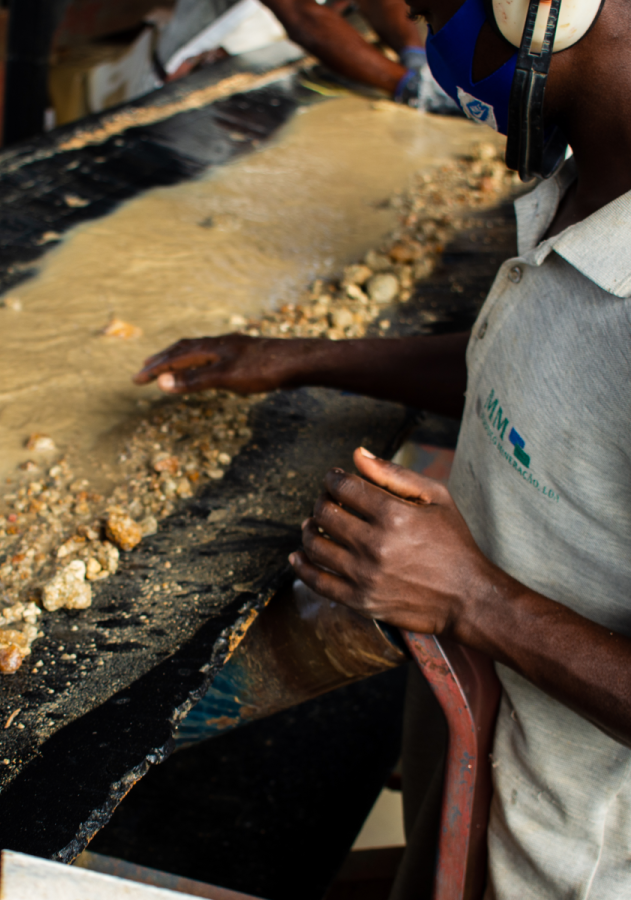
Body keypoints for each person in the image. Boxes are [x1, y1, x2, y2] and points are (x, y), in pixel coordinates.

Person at [134, 0, 631, 894]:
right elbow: (537, 377)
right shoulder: (586, 184)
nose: (431, 45)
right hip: (486, 765)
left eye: (435, 7)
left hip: (569, 863)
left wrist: (470, 595)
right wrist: (295, 360)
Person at [157, 0, 452, 109]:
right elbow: (301, 15)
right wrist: (408, 86)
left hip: (280, 55)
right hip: (198, 70)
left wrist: (413, 53)